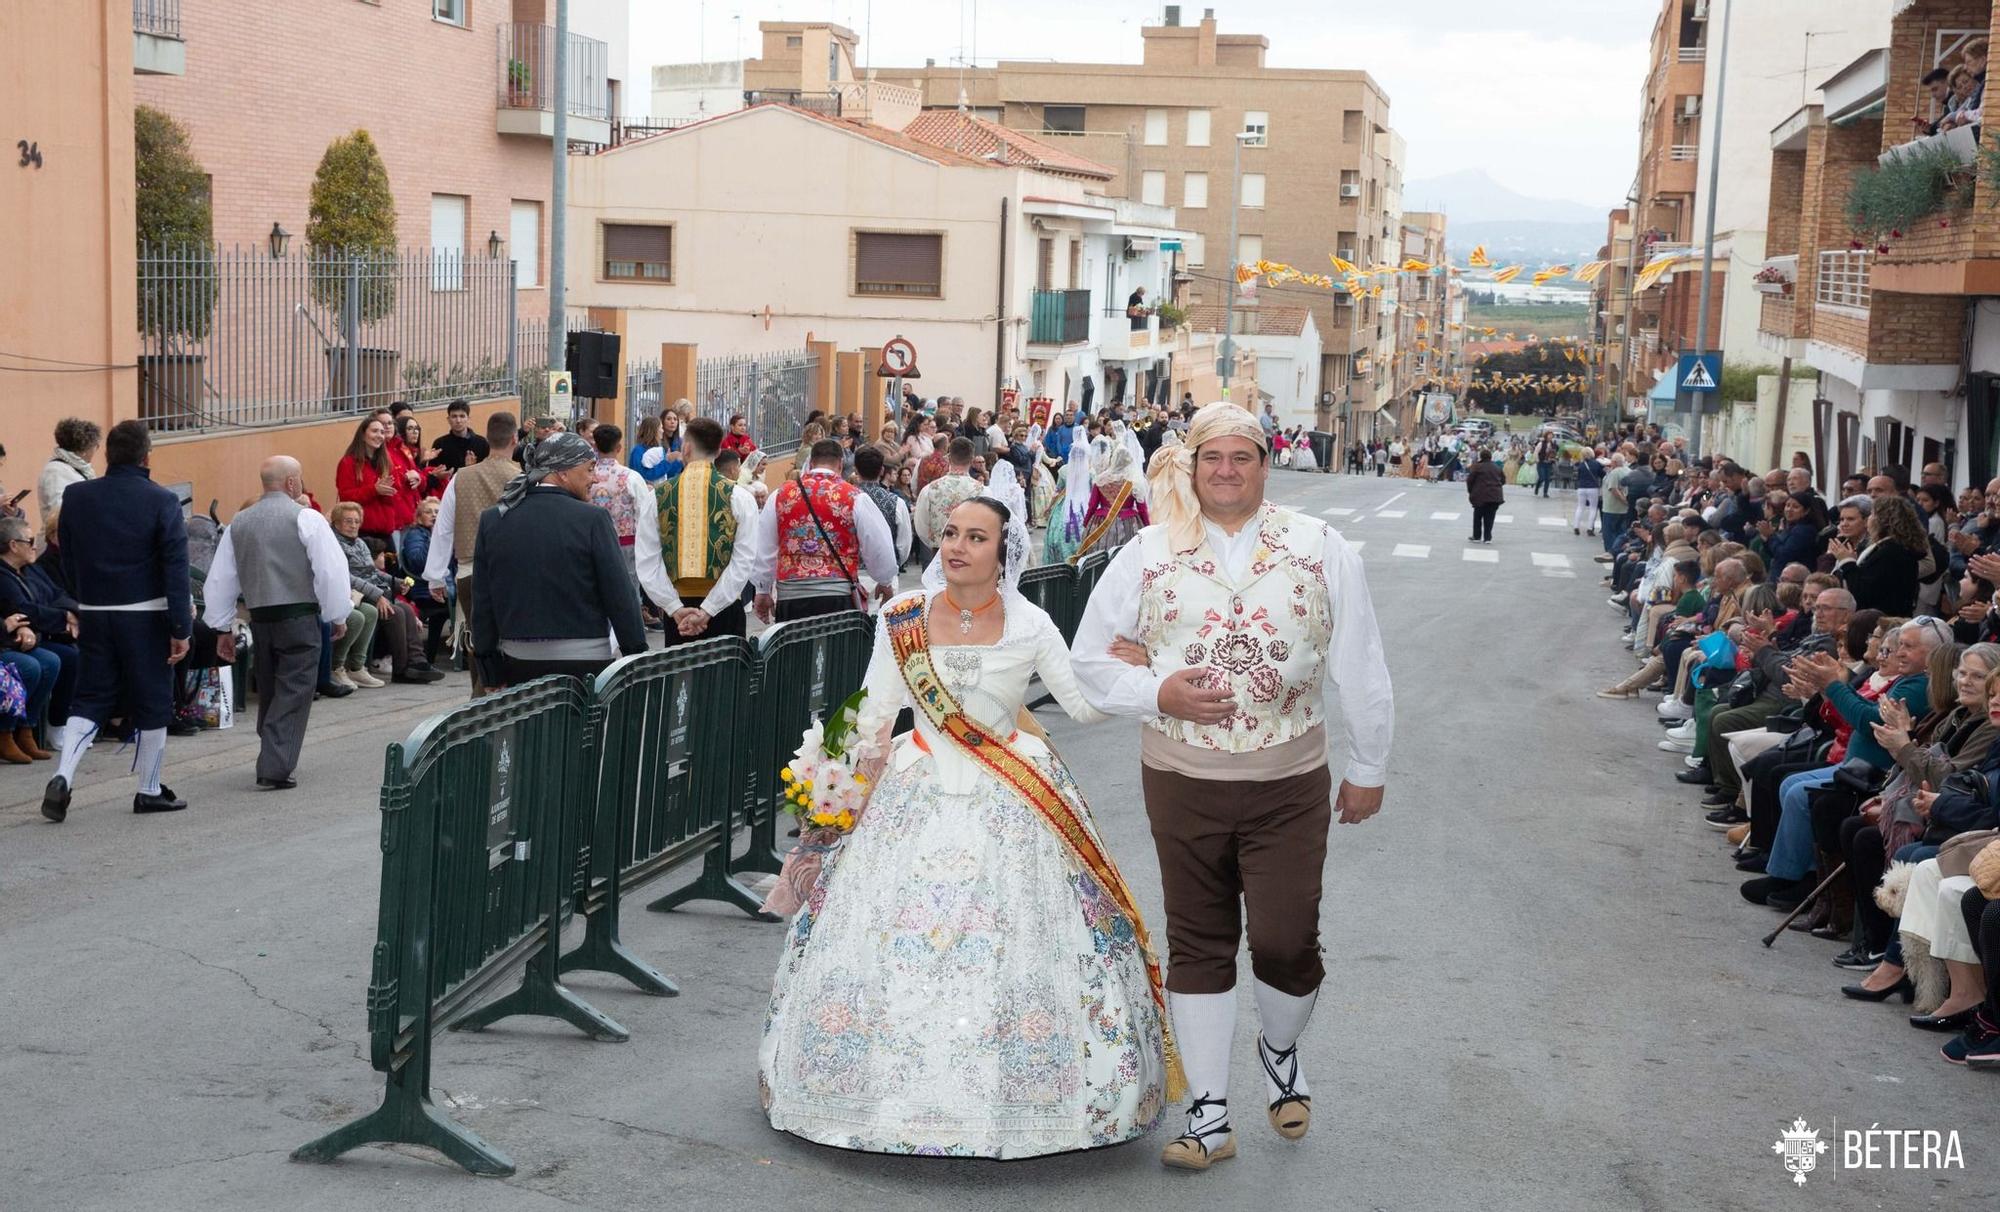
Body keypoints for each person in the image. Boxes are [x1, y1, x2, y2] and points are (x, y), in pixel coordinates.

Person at [760, 495, 1170, 1156]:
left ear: (1002, 551)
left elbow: (1082, 707)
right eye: (949, 533)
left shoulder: (1032, 623)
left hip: (1012, 797)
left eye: (975, 537)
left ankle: (1032, 1099)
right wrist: (829, 784)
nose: (956, 547)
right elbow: (876, 710)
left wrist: (1139, 671)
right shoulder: (902, 618)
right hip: (914, 790)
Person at [1069, 402, 1393, 1171]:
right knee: (1199, 939)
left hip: (1289, 779)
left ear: (1263, 464)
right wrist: (1158, 694)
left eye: (1240, 457)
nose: (1225, 470)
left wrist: (1368, 766)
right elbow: (1090, 661)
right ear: (1192, 465)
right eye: (1211, 457)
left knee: (1285, 940)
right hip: (1181, 778)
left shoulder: (1320, 548)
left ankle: (1280, 1050)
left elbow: (1361, 662)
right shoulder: (1148, 553)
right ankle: (1209, 1114)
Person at [43, 421, 193, 823]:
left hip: (94, 610)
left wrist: (86, 597)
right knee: (153, 701)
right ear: (147, 457)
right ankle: (148, 789)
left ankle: (63, 775)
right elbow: (175, 567)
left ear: (108, 455)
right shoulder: (161, 500)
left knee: (90, 697)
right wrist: (181, 628)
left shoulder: (76, 496)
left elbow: (67, 555)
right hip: (146, 614)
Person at [198, 457, 354, 789]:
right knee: (295, 690)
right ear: (292, 483)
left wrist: (222, 627)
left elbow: (221, 579)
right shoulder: (306, 518)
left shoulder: (239, 522)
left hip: (261, 618)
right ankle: (275, 763)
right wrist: (337, 613)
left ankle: (272, 748)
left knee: (271, 688)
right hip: (299, 615)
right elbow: (331, 571)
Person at [472, 432, 647, 688]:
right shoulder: (592, 519)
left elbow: (483, 599)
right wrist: (636, 655)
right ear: (563, 473)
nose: (594, 478)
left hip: (518, 661)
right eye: (589, 469)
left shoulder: (494, 519)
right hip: (585, 663)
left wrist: (489, 668)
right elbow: (619, 594)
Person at [423, 411, 524, 696]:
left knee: (477, 641)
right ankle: (488, 704)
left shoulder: (461, 479)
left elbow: (443, 528)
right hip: (511, 572)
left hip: (469, 571)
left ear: (487, 439)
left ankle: (478, 704)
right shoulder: (522, 479)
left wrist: (435, 576)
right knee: (507, 644)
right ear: (514, 438)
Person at [639, 417, 761, 644]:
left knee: (681, 677)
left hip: (679, 613)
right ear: (718, 452)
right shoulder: (739, 496)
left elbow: (647, 562)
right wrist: (709, 609)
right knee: (727, 677)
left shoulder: (656, 496)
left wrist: (674, 608)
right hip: (725, 608)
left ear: (685, 448)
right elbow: (744, 561)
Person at [748, 440, 899, 623]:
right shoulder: (854, 497)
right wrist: (884, 581)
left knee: (794, 649)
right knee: (837, 650)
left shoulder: (779, 495)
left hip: (791, 594)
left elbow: (764, 547)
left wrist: (762, 590)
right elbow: (878, 545)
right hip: (837, 595)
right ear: (841, 464)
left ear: (811, 463)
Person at [330, 502, 442, 686]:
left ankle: (417, 662)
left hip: (373, 592)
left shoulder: (359, 543)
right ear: (336, 523)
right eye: (348, 521)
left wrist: (398, 583)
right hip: (353, 594)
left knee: (405, 608)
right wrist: (377, 595)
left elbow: (373, 572)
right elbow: (348, 577)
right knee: (395, 612)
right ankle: (401, 670)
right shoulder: (335, 544)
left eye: (357, 521)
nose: (353, 525)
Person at [0, 514, 75, 760]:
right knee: (32, 666)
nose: (35, 546)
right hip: (8, 643)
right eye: (29, 540)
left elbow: (54, 596)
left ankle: (26, 730)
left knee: (53, 661)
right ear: (13, 545)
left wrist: (74, 614)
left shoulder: (28, 570)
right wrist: (12, 625)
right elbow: (25, 608)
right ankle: (6, 732)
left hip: (26, 638)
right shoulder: (3, 575)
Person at [583, 423, 657, 594]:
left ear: (595, 445)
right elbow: (644, 512)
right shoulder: (630, 476)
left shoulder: (586, 475)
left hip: (591, 542)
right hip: (625, 543)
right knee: (627, 591)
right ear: (619, 447)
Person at [335, 414, 418, 542]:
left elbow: (395, 492)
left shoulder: (386, 463)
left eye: (382, 432)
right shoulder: (348, 463)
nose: (379, 435)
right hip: (361, 531)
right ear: (362, 435)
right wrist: (374, 490)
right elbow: (345, 496)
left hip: (386, 531)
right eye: (374, 431)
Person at [1071, 437, 1149, 563]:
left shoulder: (1101, 479)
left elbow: (1092, 506)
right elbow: (1142, 509)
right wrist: (1147, 526)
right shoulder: (1135, 482)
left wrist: (1086, 523)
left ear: (1113, 460)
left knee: (1098, 554)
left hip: (1101, 522)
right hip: (1128, 522)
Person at [912, 438, 984, 553]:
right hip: (971, 551)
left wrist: (934, 541)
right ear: (971, 460)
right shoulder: (983, 491)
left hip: (940, 550)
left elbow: (921, 526)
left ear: (949, 458)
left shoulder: (930, 489)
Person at [852, 446, 913, 571]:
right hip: (885, 571)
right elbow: (904, 543)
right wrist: (895, 562)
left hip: (852, 572)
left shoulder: (845, 499)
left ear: (856, 470)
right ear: (882, 471)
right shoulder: (896, 502)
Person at [38, 417, 101, 528]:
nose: (97, 449)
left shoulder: (73, 468)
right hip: (60, 541)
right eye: (96, 445)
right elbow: (59, 511)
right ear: (85, 448)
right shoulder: (56, 471)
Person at [1044, 437, 1094, 564]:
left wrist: (1049, 507)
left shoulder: (1064, 470)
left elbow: (1057, 492)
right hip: (1083, 506)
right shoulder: (1090, 472)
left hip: (1064, 506)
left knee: (1058, 534)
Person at [428, 399, 489, 476]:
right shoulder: (440, 444)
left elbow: (487, 471)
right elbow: (432, 473)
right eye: (454, 416)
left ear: (468, 419)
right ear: (448, 420)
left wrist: (471, 468)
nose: (458, 420)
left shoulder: (481, 443)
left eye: (462, 416)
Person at [1465, 449, 1505, 544]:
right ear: (1490, 457)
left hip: (1480, 495)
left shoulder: (1477, 467)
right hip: (1495, 496)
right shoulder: (1497, 467)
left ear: (1481, 457)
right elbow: (1503, 480)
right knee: (1490, 518)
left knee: (1478, 517)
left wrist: (1471, 491)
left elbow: (1470, 480)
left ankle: (1477, 536)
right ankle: (1487, 538)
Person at [628, 414, 680, 485]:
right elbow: (644, 476)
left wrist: (678, 461)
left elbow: (667, 473)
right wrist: (667, 462)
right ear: (654, 430)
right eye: (661, 428)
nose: (663, 431)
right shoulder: (638, 451)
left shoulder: (659, 449)